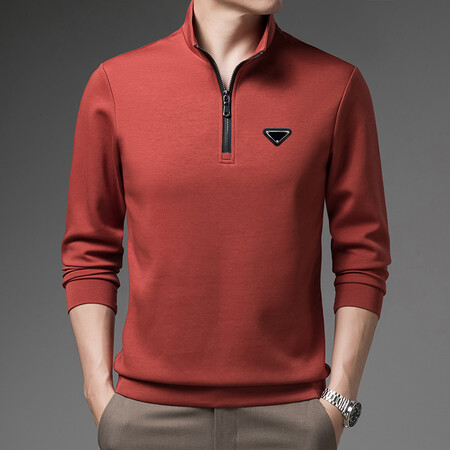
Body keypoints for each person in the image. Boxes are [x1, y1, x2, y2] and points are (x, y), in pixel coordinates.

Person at [60, 0, 391, 448]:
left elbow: (363, 253)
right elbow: (89, 250)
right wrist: (99, 393)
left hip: (292, 421)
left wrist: (339, 399)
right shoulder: (116, 85)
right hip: (146, 421)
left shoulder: (337, 86)